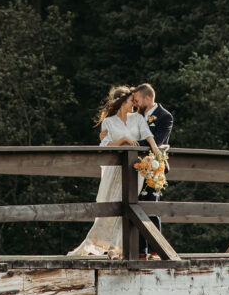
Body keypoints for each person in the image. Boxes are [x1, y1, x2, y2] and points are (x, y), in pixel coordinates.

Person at [67, 85, 160, 259]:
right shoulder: (108, 122)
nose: (134, 104)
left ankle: (117, 248)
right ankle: (103, 244)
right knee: (113, 204)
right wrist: (123, 140)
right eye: (130, 101)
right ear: (122, 103)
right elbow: (104, 145)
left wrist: (157, 152)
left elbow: (148, 135)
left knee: (128, 205)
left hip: (134, 170)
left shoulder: (138, 119)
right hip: (115, 169)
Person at [132, 83, 173, 259]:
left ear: (147, 98)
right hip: (134, 166)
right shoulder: (135, 116)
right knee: (135, 205)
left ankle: (156, 249)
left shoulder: (165, 116)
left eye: (137, 99)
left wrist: (131, 143)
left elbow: (157, 140)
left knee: (151, 205)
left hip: (153, 166)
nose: (135, 103)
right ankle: (141, 250)